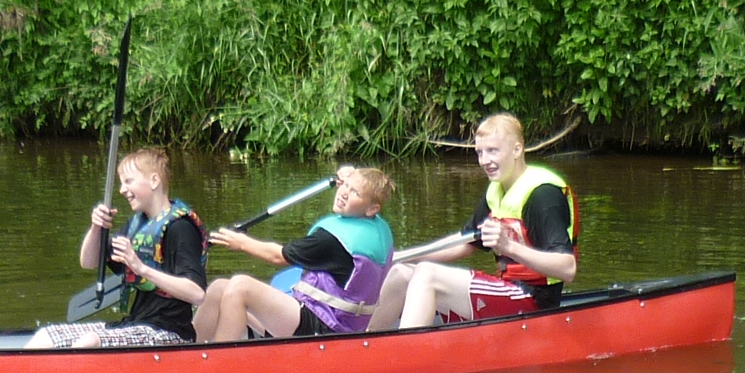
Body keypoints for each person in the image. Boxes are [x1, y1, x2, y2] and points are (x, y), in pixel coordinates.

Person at [367, 114, 577, 331]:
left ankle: (405, 355)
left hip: (534, 298)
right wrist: (401, 256)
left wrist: (509, 247)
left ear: (517, 150)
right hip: (507, 289)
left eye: (493, 151)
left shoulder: (543, 195)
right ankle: (363, 344)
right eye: (480, 152)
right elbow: (466, 243)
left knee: (427, 274)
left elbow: (567, 268)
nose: (485, 160)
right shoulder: (497, 190)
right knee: (401, 272)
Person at [27, 147, 207, 349]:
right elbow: (89, 262)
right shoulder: (138, 226)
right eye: (121, 182)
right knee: (47, 336)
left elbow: (197, 294)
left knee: (91, 342)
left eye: (128, 181)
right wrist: (97, 227)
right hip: (135, 323)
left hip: (169, 333)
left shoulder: (180, 228)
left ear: (154, 181)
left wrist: (141, 269)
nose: (122, 189)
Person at [194, 166, 396, 342]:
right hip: (315, 314)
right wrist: (352, 177)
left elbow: (278, 256)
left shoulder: (333, 241)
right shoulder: (375, 225)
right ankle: (186, 349)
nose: (344, 193)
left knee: (240, 286)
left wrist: (242, 243)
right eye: (345, 186)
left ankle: (218, 364)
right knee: (220, 288)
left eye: (355, 193)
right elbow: (362, 185)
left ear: (372, 209)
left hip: (327, 327)